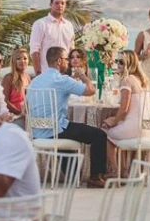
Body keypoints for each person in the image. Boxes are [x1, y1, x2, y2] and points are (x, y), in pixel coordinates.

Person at [28, 46, 107, 188]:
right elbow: (91, 91)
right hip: (55, 130)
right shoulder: (61, 79)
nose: (68, 63)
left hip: (37, 132)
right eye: (66, 59)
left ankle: (72, 176)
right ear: (59, 61)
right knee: (99, 135)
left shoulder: (35, 81)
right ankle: (95, 177)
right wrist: (83, 76)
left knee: (68, 130)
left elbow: (25, 106)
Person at [102, 50, 150, 176]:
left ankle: (116, 170)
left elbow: (123, 110)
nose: (118, 65)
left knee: (105, 133)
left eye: (121, 62)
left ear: (130, 64)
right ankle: (124, 169)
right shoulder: (143, 80)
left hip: (137, 128)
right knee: (118, 131)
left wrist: (112, 121)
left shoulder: (127, 80)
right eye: (117, 61)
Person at [30, 0, 75, 76]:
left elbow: (71, 49)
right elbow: (34, 50)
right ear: (50, 4)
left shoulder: (69, 26)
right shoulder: (40, 24)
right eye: (57, 3)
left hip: (66, 74)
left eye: (62, 3)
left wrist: (73, 70)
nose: (60, 5)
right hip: (46, 73)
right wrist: (38, 73)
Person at [1, 48, 31, 128]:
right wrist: (19, 112)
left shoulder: (27, 77)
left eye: (25, 58)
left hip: (27, 115)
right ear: (14, 61)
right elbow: (4, 100)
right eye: (18, 59)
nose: (22, 61)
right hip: (14, 116)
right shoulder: (8, 78)